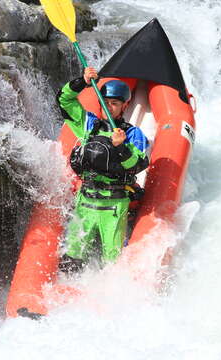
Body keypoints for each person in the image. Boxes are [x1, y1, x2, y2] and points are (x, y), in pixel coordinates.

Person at [58, 67, 149, 273]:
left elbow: (137, 165)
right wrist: (81, 82)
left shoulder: (133, 134)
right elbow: (64, 101)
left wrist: (121, 147)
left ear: (125, 105)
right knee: (72, 258)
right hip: (86, 202)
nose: (109, 107)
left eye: (114, 103)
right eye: (106, 103)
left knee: (113, 261)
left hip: (114, 205)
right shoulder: (89, 124)